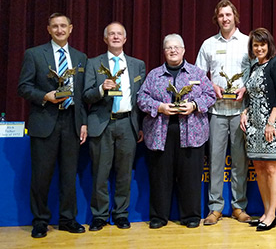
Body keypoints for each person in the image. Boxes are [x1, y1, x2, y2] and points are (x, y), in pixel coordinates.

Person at [17, 13, 88, 238]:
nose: (59, 30)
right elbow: (23, 87)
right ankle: (40, 221)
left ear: (71, 29)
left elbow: (83, 94)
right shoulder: (34, 54)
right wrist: (45, 96)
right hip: (44, 120)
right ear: (48, 29)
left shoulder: (80, 58)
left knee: (69, 174)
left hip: (71, 122)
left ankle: (68, 219)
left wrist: (84, 123)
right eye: (55, 26)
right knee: (41, 176)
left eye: (63, 26)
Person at [137, 34, 216, 229]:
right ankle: (158, 216)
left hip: (192, 132)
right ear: (164, 52)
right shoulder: (154, 75)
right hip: (160, 132)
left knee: (190, 176)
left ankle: (190, 216)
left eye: (176, 47)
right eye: (169, 48)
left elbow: (211, 95)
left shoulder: (197, 74)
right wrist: (159, 107)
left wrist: (195, 105)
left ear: (184, 50)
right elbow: (141, 99)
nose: (173, 50)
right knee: (160, 177)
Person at [83, 22, 146, 231]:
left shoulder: (137, 65)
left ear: (125, 39)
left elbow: (142, 99)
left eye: (120, 34)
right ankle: (99, 216)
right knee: (100, 173)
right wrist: (101, 88)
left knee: (124, 173)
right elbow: (86, 95)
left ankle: (121, 214)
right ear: (105, 39)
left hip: (128, 123)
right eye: (112, 34)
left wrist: (141, 126)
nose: (116, 37)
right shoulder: (93, 63)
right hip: (102, 124)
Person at [195, 0, 251, 225]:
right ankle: (215, 208)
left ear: (235, 17)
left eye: (228, 15)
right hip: (216, 112)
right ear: (216, 19)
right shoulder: (208, 44)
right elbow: (197, 77)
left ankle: (239, 207)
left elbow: (258, 73)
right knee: (216, 163)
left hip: (241, 112)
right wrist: (211, 86)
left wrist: (246, 87)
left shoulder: (248, 43)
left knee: (240, 162)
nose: (225, 19)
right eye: (221, 16)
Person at [240, 28, 276, 231]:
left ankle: (272, 214)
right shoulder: (254, 67)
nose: (259, 48)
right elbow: (253, 95)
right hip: (254, 125)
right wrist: (245, 111)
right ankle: (266, 212)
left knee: (271, 168)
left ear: (269, 45)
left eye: (262, 44)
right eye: (255, 45)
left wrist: (271, 122)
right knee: (259, 167)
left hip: (272, 123)